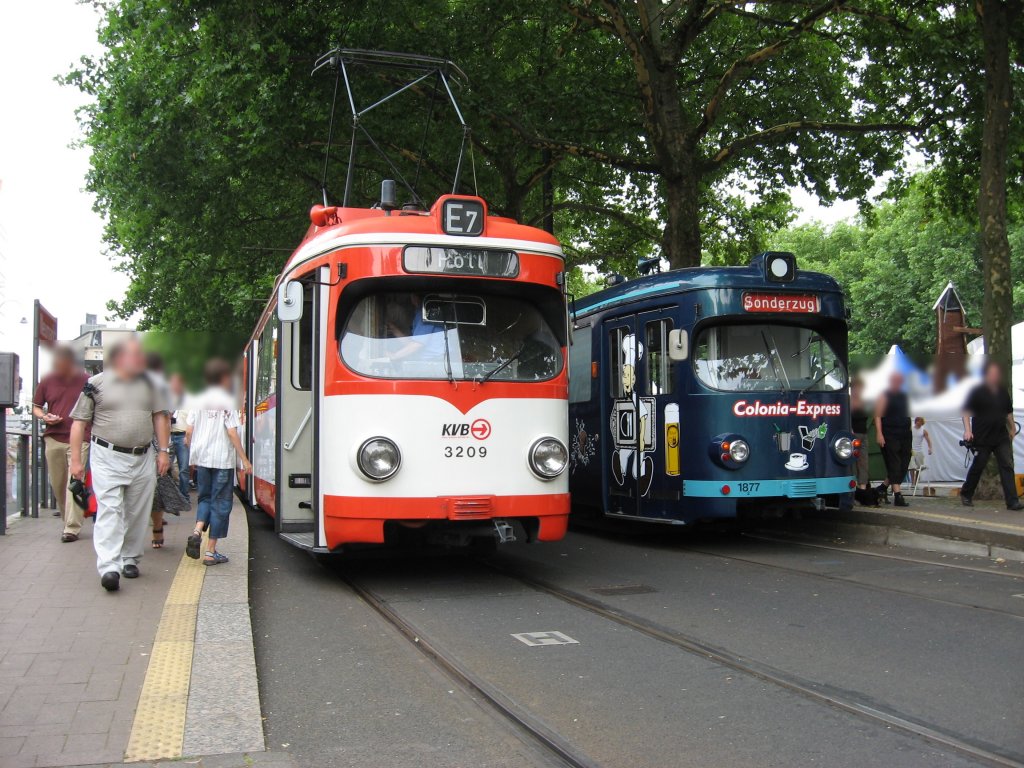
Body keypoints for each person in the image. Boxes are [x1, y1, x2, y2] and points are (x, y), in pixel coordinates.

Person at [69, 337, 171, 591]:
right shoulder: (95, 384)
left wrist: (164, 452)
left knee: (137, 511)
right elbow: (79, 423)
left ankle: (130, 559)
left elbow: (160, 417)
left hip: (142, 456)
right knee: (110, 510)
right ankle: (109, 566)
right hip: (106, 455)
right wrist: (76, 461)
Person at [185, 358, 252, 565]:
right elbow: (232, 433)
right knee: (221, 504)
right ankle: (210, 552)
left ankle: (197, 531)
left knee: (205, 498)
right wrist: (244, 460)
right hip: (222, 460)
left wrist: (193, 455)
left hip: (203, 459)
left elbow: (188, 432)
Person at [32, 346, 90, 541]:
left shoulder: (85, 380)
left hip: (81, 438)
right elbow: (36, 406)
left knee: (74, 481)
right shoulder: (48, 380)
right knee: (57, 483)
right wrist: (44, 416)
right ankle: (67, 519)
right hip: (54, 436)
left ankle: (72, 528)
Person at [960, 360, 1022, 510]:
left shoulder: (1002, 391)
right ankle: (966, 493)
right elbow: (966, 411)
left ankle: (1012, 501)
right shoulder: (977, 391)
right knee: (979, 464)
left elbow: (1008, 411)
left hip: (1000, 434)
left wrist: (1012, 428)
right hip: (982, 435)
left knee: (1007, 465)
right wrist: (968, 430)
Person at [874, 372, 912, 507]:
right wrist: (879, 433)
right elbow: (877, 415)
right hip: (890, 433)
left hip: (905, 434)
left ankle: (883, 488)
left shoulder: (904, 396)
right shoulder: (884, 395)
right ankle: (898, 495)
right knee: (894, 463)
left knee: (904, 463)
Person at [169, 372, 193, 497]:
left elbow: (192, 422)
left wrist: (188, 437)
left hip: (182, 436)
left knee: (183, 468)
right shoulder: (167, 399)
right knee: (166, 467)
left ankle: (184, 495)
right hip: (168, 436)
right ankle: (170, 496)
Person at [850, 377, 870, 492]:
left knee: (864, 461)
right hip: (853, 434)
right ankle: (854, 486)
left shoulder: (864, 401)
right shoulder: (849, 401)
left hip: (863, 433)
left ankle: (863, 487)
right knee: (853, 461)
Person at [909, 416, 933, 487]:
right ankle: (912, 482)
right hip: (911, 450)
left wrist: (930, 448)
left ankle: (916, 482)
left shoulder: (924, 431)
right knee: (912, 467)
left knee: (919, 468)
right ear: (916, 422)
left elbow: (928, 440)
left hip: (919, 451)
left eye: (921, 422)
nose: (919, 423)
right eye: (918, 421)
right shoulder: (911, 429)